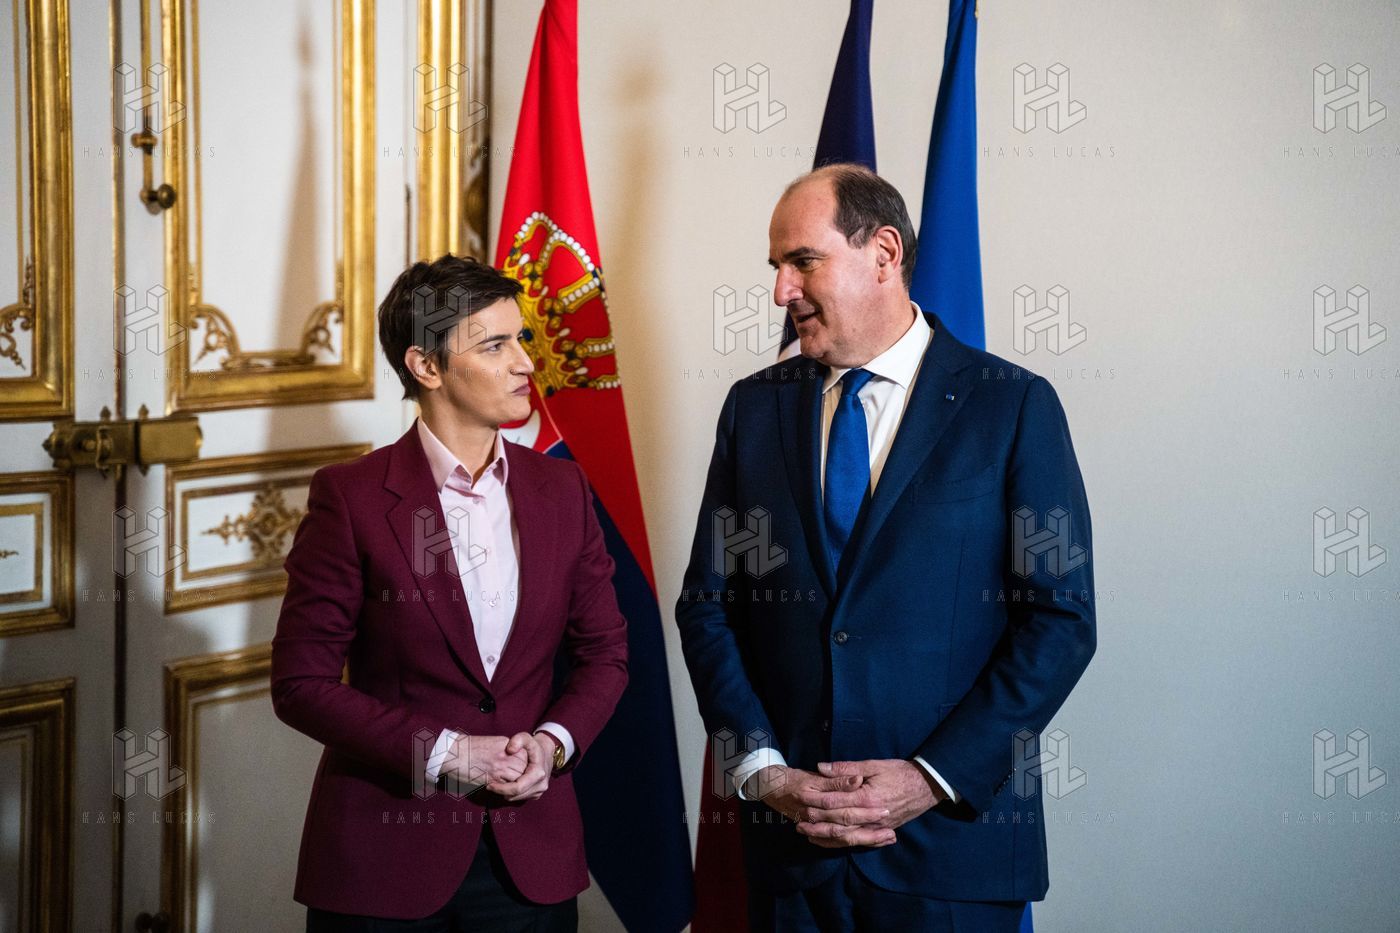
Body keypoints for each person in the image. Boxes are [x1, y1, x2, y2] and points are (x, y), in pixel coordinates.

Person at [676, 164, 1096, 931]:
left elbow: (1060, 619)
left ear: (884, 253)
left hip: (952, 854)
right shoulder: (753, 411)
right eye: (776, 266)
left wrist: (930, 777)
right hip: (793, 852)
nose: (781, 291)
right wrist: (762, 769)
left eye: (802, 261)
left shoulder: (1012, 407)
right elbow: (709, 607)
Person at [272, 254, 628, 931]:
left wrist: (553, 743)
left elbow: (605, 653)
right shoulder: (350, 498)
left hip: (531, 857)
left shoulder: (563, 488)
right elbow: (300, 684)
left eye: (522, 339)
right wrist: (447, 751)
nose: (526, 362)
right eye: (495, 345)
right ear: (426, 367)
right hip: (385, 861)